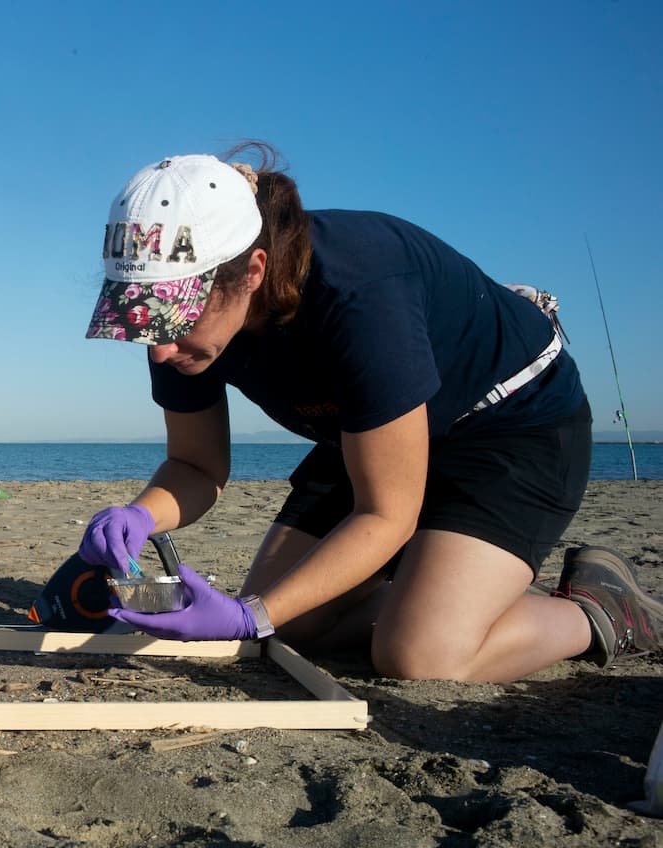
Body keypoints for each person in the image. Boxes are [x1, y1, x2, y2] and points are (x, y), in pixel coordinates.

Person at [77, 144, 660, 682]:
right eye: (140, 318)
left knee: (420, 654)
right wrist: (141, 516)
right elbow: (197, 466)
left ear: (252, 272)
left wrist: (248, 614)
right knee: (296, 623)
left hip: (510, 426)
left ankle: (599, 611)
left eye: (173, 317)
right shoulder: (175, 330)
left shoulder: (359, 294)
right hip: (370, 432)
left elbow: (386, 514)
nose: (158, 348)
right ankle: (430, 592)